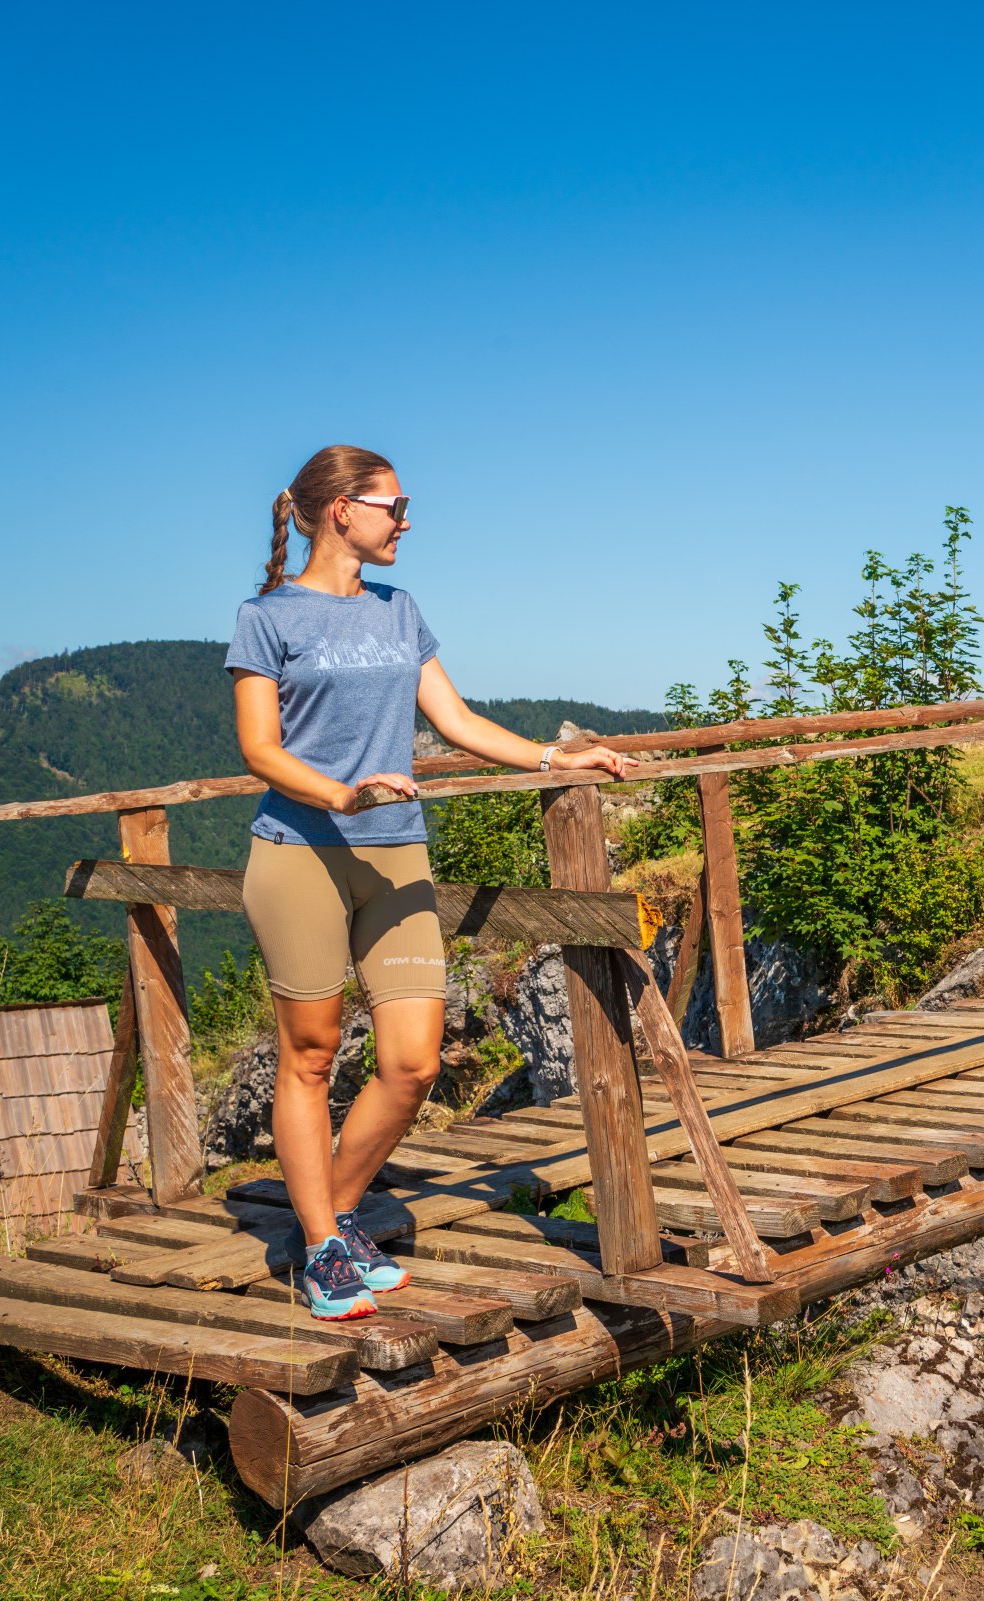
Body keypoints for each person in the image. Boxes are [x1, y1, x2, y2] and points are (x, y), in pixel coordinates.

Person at [226, 445, 631, 1319]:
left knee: (411, 1062)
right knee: (311, 1054)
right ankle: (326, 1246)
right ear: (342, 511)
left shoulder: (400, 610)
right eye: (395, 506)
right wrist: (341, 790)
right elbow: (259, 747)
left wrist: (554, 756)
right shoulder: (267, 618)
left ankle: (326, 1221)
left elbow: (454, 719)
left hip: (396, 854)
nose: (406, 522)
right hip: (300, 854)